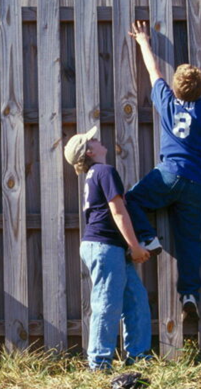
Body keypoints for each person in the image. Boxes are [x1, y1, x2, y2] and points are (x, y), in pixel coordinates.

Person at [126, 21, 201, 320]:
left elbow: (154, 71)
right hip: (197, 183)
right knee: (189, 239)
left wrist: (143, 41)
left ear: (176, 87)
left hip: (169, 174)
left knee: (132, 200)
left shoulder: (166, 100)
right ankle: (189, 293)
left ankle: (149, 237)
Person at [64, 126, 152, 371]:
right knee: (107, 303)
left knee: (136, 299)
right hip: (104, 247)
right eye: (92, 139)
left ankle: (139, 358)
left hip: (107, 246)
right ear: (89, 151)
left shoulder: (95, 174)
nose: (97, 138)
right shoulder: (105, 171)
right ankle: (99, 363)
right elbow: (118, 211)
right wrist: (135, 246)